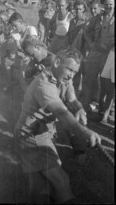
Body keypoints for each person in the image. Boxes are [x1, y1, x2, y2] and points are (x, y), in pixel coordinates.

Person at [14, 47, 101, 204]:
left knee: (40, 186)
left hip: (42, 134)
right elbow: (62, 113)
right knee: (61, 181)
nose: (71, 75)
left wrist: (80, 108)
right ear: (57, 62)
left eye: (75, 72)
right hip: (31, 136)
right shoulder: (44, 84)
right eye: (69, 69)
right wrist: (85, 132)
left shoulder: (63, 78)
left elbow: (72, 99)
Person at [81, 0, 115, 112]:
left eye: (110, 4)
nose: (108, 7)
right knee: (88, 80)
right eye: (106, 5)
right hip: (96, 54)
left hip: (110, 56)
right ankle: (84, 105)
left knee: (107, 85)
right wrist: (90, 43)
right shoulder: (97, 18)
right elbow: (86, 31)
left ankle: (104, 110)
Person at [8, 12, 38, 92]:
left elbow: (33, 45)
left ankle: (28, 95)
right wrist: (17, 41)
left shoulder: (31, 29)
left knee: (24, 76)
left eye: (15, 26)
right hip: (23, 57)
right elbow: (18, 48)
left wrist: (19, 43)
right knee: (19, 74)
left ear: (21, 22)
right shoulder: (15, 33)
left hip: (31, 58)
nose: (14, 28)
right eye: (13, 26)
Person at [67, 0, 89, 97]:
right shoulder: (72, 21)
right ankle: (73, 93)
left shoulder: (87, 21)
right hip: (73, 50)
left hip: (83, 51)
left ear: (84, 9)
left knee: (84, 74)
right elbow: (69, 35)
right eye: (76, 9)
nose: (77, 11)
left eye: (80, 9)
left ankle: (85, 95)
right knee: (73, 72)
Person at [98, 47, 115, 123]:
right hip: (111, 56)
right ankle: (102, 112)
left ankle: (105, 115)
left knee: (111, 91)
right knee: (104, 90)